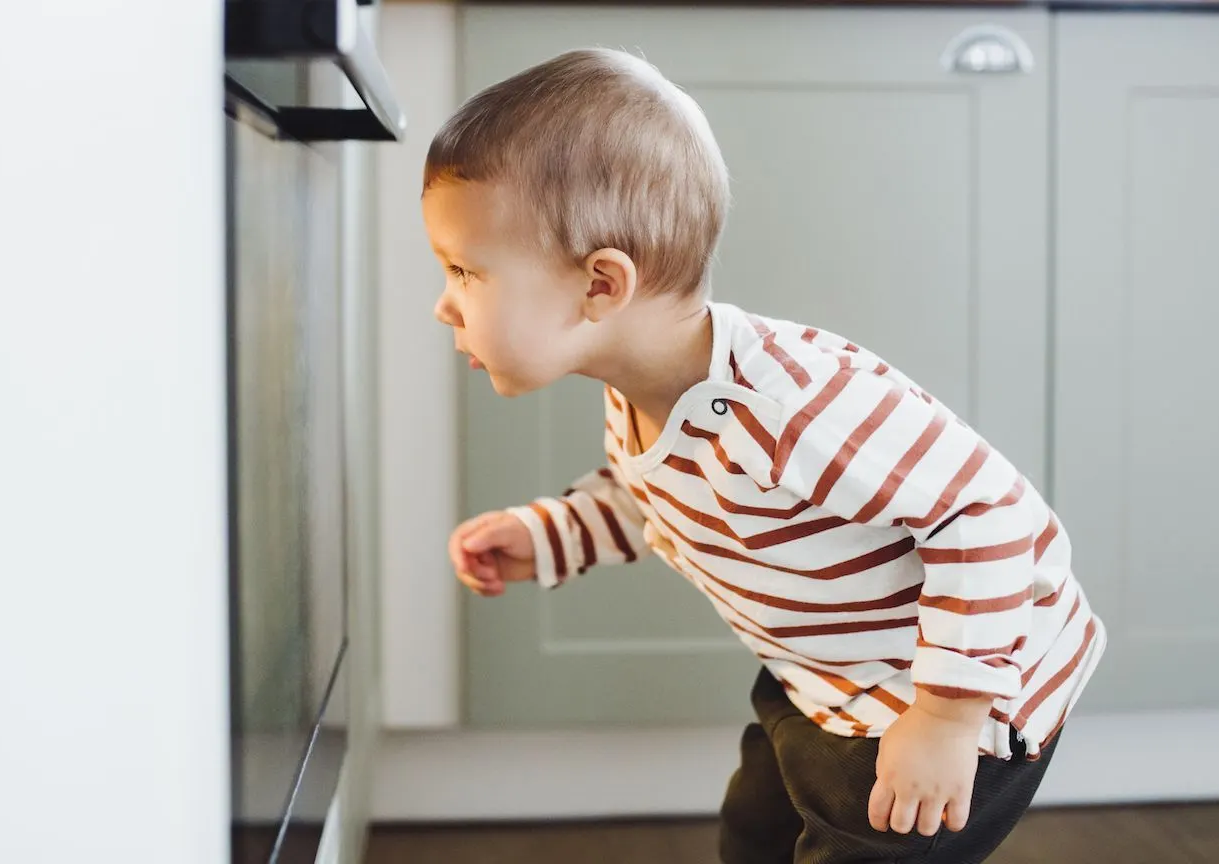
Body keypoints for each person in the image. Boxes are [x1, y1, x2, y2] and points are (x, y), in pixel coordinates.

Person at [424, 47, 1105, 864]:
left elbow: (987, 513)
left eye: (465, 270)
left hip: (961, 698)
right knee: (753, 836)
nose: (444, 304)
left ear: (601, 286)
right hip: (820, 685)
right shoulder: (639, 385)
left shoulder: (790, 403)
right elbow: (654, 495)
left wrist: (946, 717)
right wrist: (548, 535)